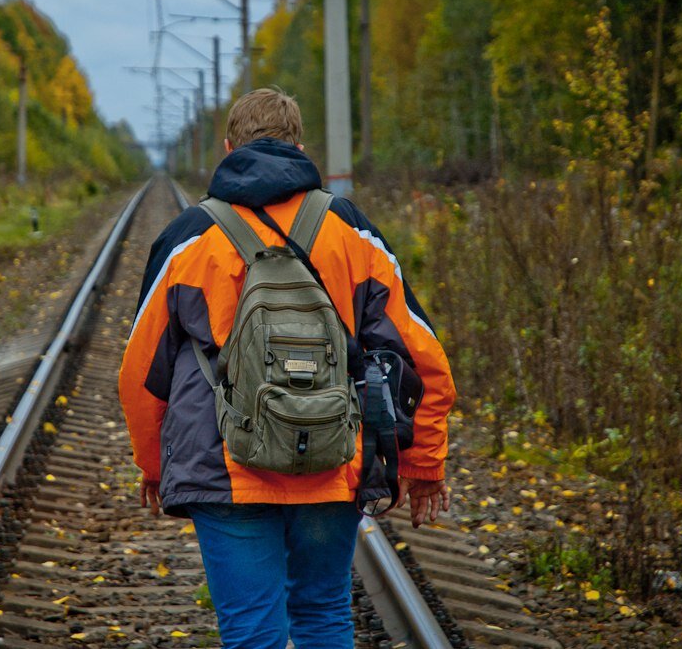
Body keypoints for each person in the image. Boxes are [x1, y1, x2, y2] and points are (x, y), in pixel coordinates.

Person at [118, 88, 455, 649]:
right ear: (300, 147)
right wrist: (423, 463)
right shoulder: (349, 229)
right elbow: (420, 355)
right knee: (324, 614)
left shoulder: (190, 237)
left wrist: (156, 465)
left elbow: (141, 372)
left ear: (227, 148)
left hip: (222, 468)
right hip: (330, 454)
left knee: (252, 631)